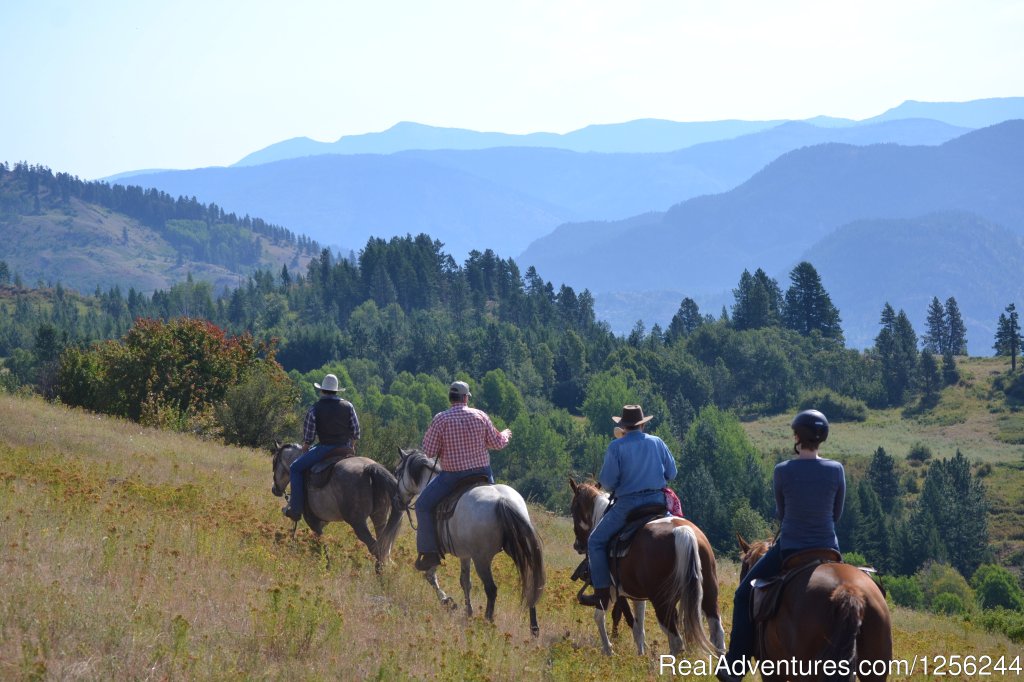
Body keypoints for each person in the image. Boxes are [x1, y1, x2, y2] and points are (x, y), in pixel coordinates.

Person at [717, 409, 845, 682]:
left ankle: (736, 665)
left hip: (790, 548)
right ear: (822, 439)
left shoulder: (783, 471)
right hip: (829, 550)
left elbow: (783, 513)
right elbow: (836, 515)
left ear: (797, 437)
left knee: (742, 594)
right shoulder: (836, 470)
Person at [578, 404, 678, 609]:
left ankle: (602, 594)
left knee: (595, 541)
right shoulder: (657, 442)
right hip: (658, 503)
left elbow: (607, 483)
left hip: (628, 506)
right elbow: (672, 473)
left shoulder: (617, 447)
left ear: (624, 426)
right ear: (642, 424)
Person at [413, 380, 512, 571]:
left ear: (451, 397)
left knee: (422, 505)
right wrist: (506, 433)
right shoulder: (480, 416)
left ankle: (430, 553)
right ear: (466, 398)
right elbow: (498, 443)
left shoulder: (441, 419)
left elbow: (429, 451)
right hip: (483, 475)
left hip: (453, 477)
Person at [282, 373, 360, 521]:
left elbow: (309, 437)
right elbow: (356, 432)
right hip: (345, 448)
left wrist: (305, 446)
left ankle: (296, 509)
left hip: (325, 448)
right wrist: (351, 447)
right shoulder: (348, 406)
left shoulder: (315, 409)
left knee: (295, 468)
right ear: (336, 391)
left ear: (322, 390)